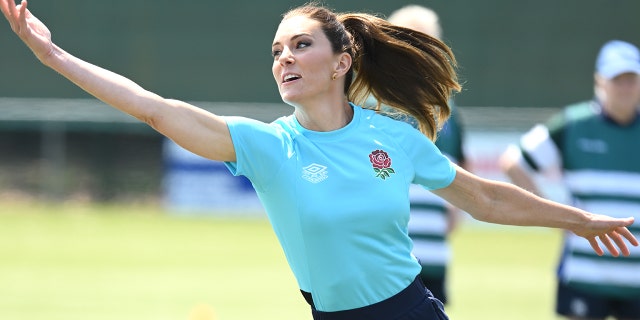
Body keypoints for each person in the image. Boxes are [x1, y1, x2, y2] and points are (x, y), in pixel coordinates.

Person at [2, 2, 637, 319]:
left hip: (412, 309)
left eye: (300, 45)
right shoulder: (267, 146)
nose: (284, 58)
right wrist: (55, 57)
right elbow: (154, 108)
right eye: (277, 48)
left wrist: (577, 220)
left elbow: (488, 198)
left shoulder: (396, 136)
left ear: (340, 63)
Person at [499, 40, 640, 320]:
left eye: (631, 79)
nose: (625, 87)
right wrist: (554, 215)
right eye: (617, 79)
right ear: (600, 81)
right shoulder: (573, 123)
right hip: (583, 273)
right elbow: (513, 162)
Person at [381, 4, 467, 305]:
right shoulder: (375, 103)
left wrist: (455, 210)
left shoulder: (447, 109)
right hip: (387, 247)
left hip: (433, 247)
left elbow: (459, 159)